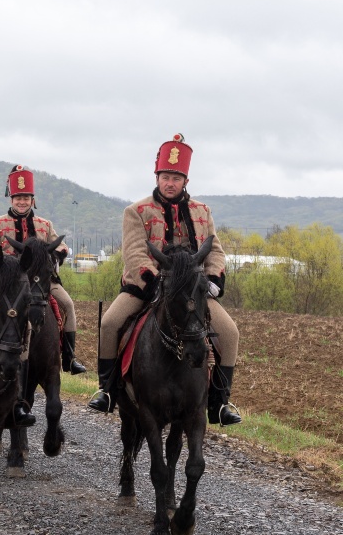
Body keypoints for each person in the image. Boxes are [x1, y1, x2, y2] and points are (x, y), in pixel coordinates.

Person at [88, 133, 241, 426]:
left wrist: (213, 279)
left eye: (176, 178)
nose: (170, 183)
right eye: (165, 177)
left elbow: (216, 251)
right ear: (157, 177)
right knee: (109, 323)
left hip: (193, 292)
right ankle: (106, 390)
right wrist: (157, 283)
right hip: (146, 289)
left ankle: (220, 403)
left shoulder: (202, 211)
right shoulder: (136, 211)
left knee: (230, 333)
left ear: (185, 181)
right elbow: (134, 254)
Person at [0, 165, 86, 375]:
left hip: (43, 282)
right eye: (18, 197)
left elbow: (60, 246)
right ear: (11, 199)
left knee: (68, 305)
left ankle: (69, 358)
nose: (22, 201)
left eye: (26, 197)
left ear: (32, 200)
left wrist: (57, 254)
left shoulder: (45, 224)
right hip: (12, 286)